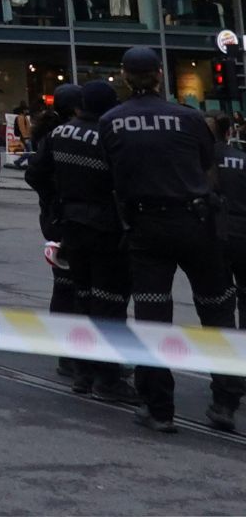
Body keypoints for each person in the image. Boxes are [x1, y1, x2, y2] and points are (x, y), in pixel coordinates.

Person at [101, 46, 243, 433]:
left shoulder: (111, 122)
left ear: (126, 77)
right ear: (160, 75)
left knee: (152, 320)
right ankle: (226, 403)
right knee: (216, 313)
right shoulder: (190, 118)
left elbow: (111, 175)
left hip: (147, 230)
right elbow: (206, 166)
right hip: (197, 224)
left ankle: (159, 408)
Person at [29, 82, 138, 403]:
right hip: (105, 230)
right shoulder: (110, 136)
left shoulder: (60, 134)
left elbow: (34, 173)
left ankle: (82, 371)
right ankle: (107, 377)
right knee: (109, 302)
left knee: (80, 297)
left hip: (70, 227)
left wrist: (55, 204)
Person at [24, 85, 84, 382]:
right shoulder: (64, 136)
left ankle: (68, 353)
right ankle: (73, 355)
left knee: (64, 286)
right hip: (68, 220)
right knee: (74, 288)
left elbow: (34, 175)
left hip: (55, 220)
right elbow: (35, 174)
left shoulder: (49, 135)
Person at [215, 114, 246, 329]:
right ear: (228, 133)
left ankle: (224, 349)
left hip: (212, 233)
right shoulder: (242, 159)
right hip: (242, 231)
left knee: (216, 298)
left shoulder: (196, 160)